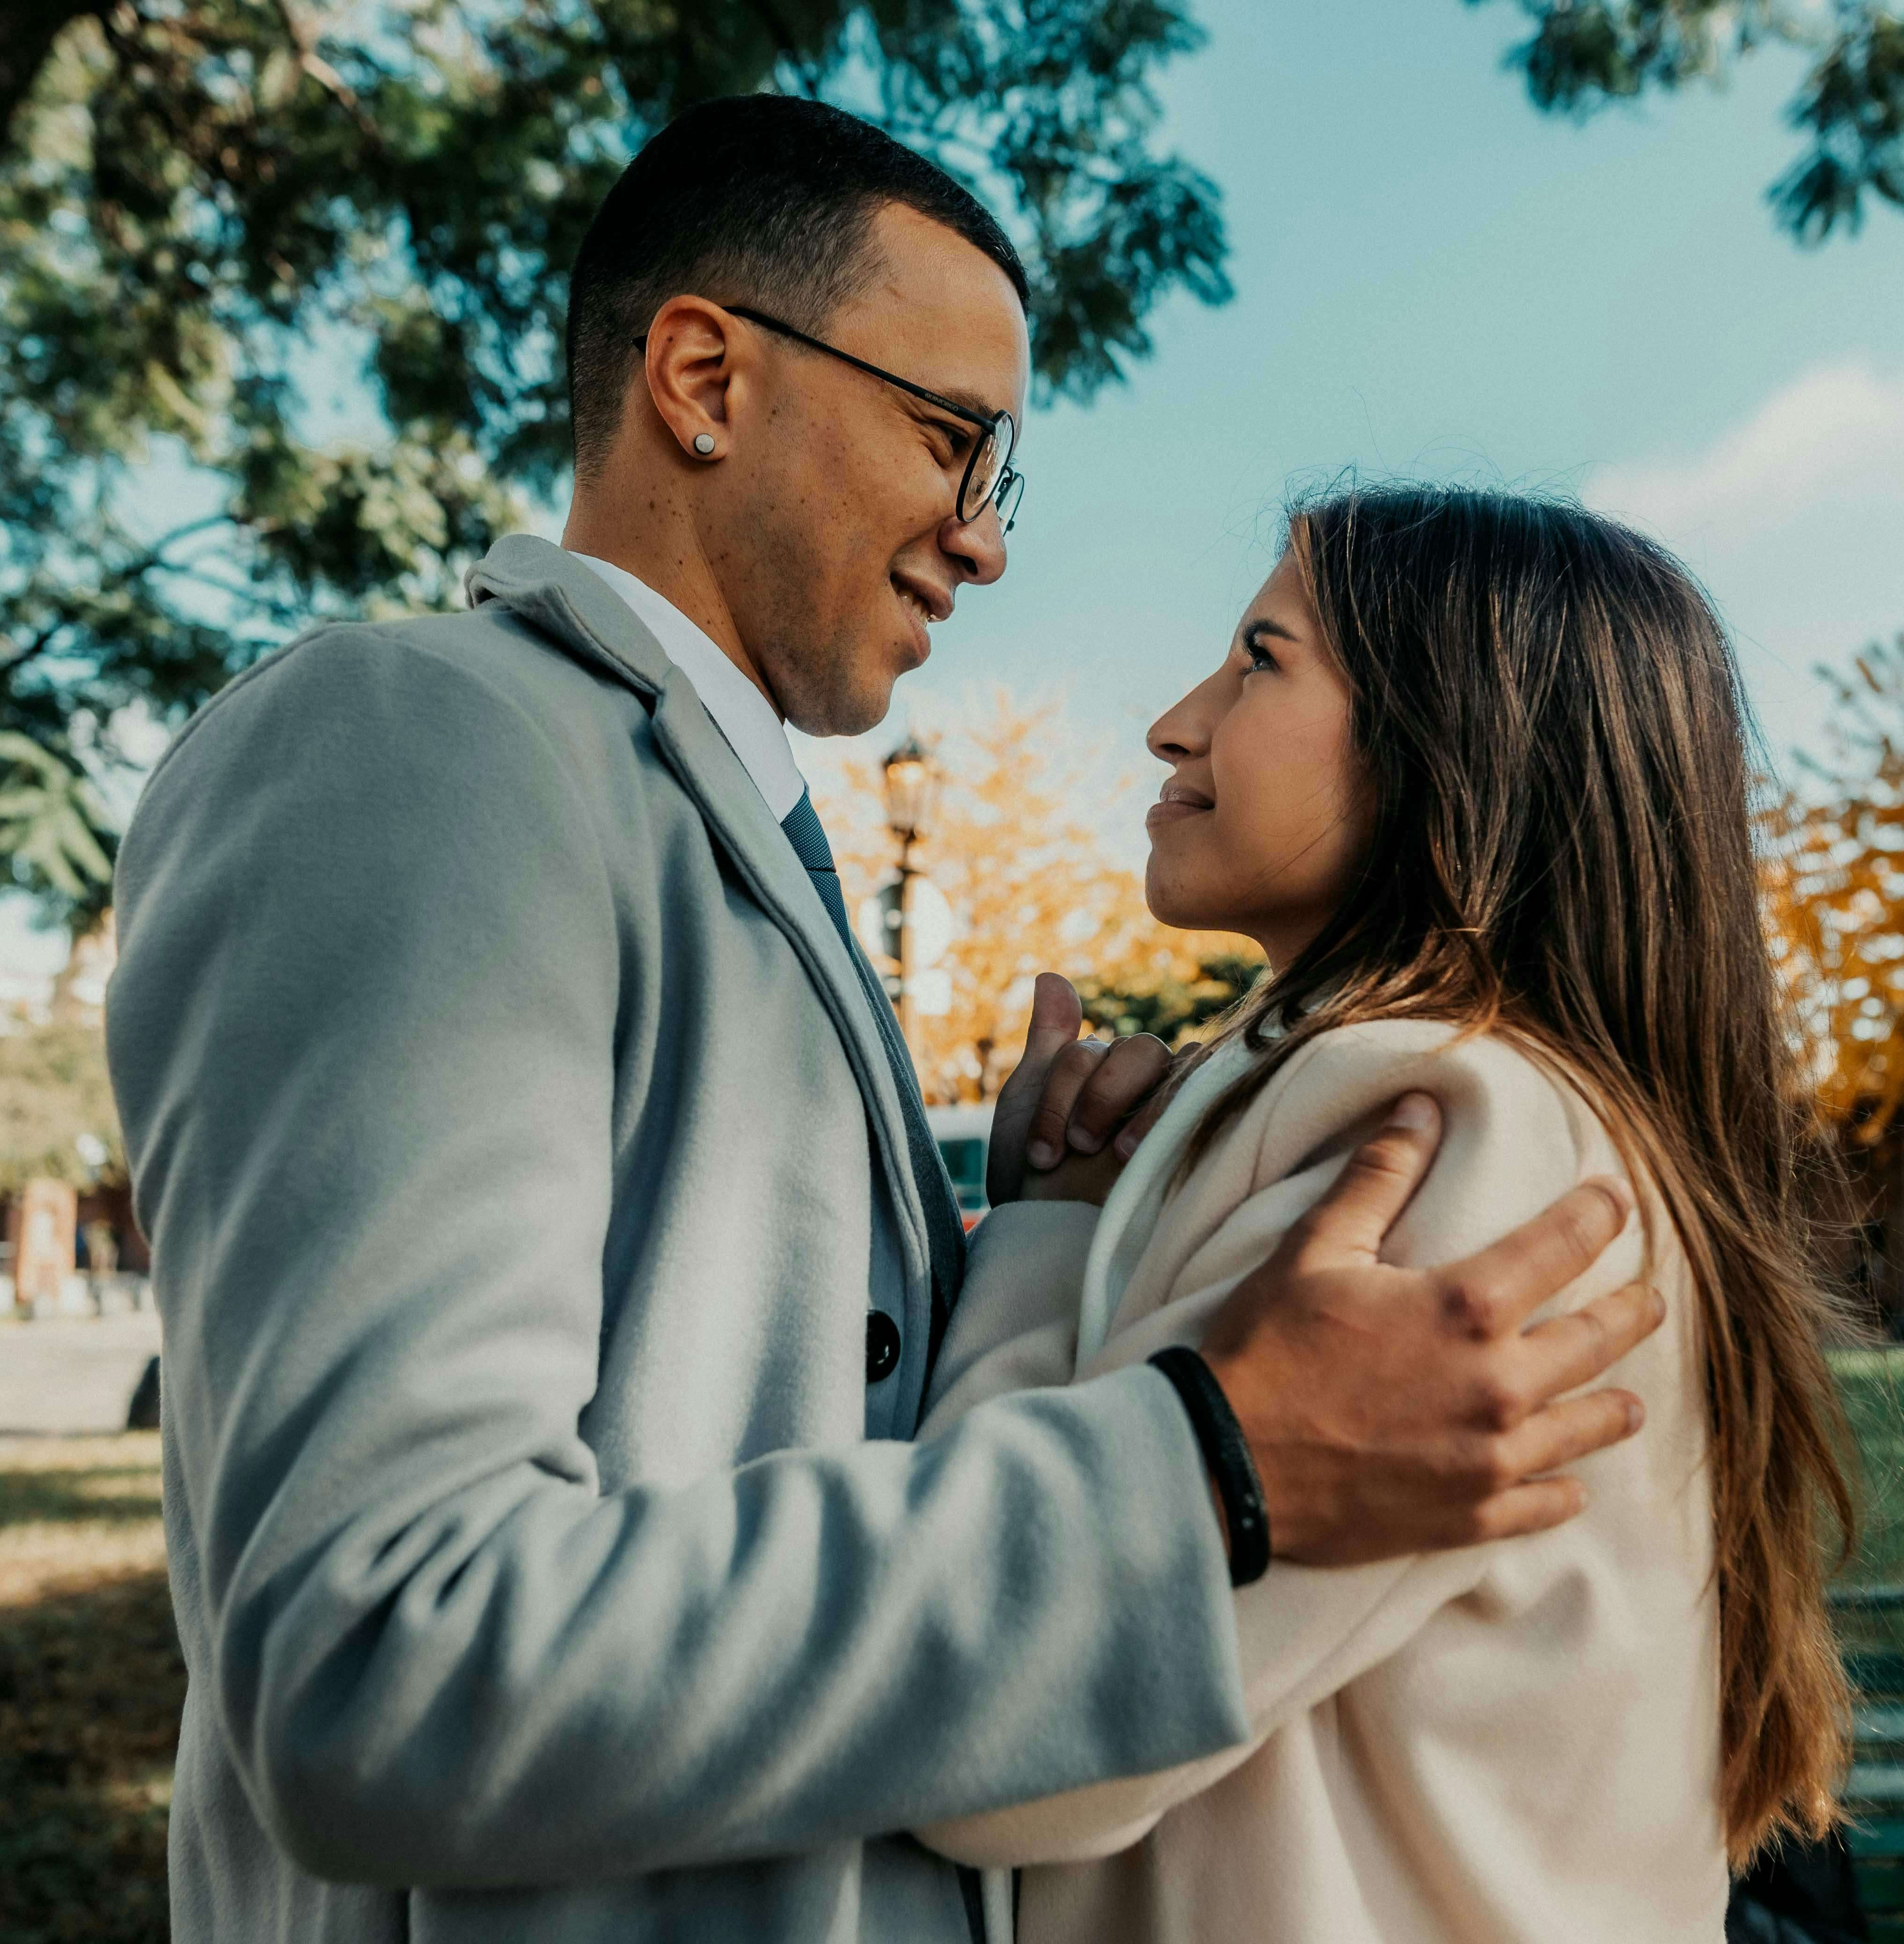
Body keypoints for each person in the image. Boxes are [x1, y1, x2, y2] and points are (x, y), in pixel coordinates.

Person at [105, 99, 1666, 1944]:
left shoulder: (711, 821)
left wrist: (1041, 1236)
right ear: (702, 377)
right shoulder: (419, 745)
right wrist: (1206, 1469)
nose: (983, 542)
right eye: (952, 441)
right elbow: (381, 1646)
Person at [914, 484, 1861, 1941]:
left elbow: (998, 1737)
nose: (1176, 721)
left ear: (1452, 743)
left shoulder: (1444, 1136)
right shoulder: (1483, 1111)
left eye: (1261, 659)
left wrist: (1041, 1241)